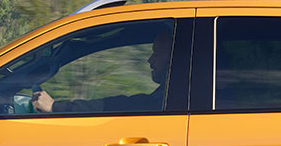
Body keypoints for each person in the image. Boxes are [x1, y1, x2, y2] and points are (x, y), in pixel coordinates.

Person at [32, 28, 174, 114]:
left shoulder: (177, 96)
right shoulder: (172, 95)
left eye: (156, 54)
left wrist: (55, 107)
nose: (150, 60)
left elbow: (127, 105)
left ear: (174, 58)